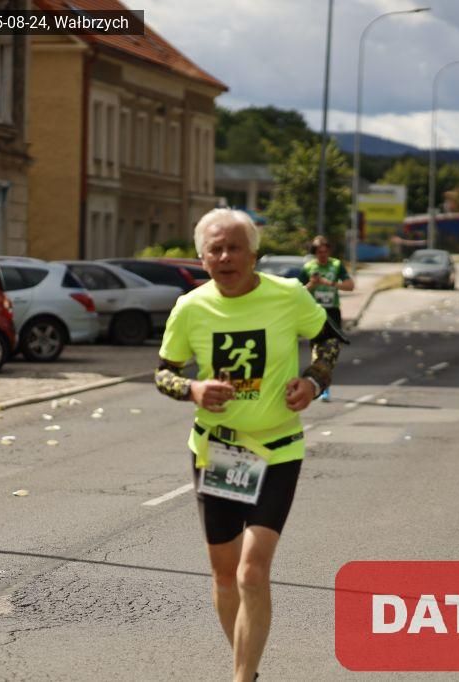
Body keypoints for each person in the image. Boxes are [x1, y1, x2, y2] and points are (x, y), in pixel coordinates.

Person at [155, 208, 344, 682]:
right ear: (203, 259)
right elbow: (164, 373)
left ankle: (241, 678)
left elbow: (328, 341)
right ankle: (249, 669)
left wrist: (314, 381)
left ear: (253, 254)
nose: (225, 257)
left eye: (234, 248)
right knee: (225, 577)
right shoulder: (190, 308)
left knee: (251, 572)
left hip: (278, 447)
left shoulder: (288, 294)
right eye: (215, 250)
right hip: (217, 451)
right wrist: (193, 389)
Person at [298, 235, 353, 401]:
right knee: (317, 350)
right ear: (314, 252)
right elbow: (298, 292)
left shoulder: (336, 265)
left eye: (325, 251)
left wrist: (329, 283)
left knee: (331, 350)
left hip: (332, 312)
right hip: (315, 313)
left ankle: (324, 385)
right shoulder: (308, 268)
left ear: (329, 251)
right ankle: (319, 384)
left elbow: (350, 286)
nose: (322, 255)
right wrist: (312, 284)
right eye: (318, 252)